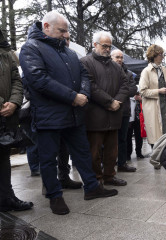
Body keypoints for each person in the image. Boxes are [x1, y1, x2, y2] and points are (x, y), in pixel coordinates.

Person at [19, 11, 118, 215]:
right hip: (49, 116)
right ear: (46, 26)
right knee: (48, 158)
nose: (65, 35)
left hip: (74, 115)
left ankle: (91, 187)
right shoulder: (31, 48)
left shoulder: (69, 52)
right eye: (61, 30)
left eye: (67, 31)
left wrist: (82, 94)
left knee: (82, 153)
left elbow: (83, 75)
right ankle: (54, 195)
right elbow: (38, 79)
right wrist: (73, 96)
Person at [24, 31, 83, 190]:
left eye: (69, 38)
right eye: (64, 37)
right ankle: (48, 186)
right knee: (47, 151)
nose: (67, 41)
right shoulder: (36, 52)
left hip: (66, 113)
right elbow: (32, 84)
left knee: (63, 148)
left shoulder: (68, 57)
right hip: (45, 113)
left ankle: (64, 176)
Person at [81, 31, 129, 186]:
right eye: (104, 46)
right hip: (95, 115)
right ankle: (96, 178)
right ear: (95, 45)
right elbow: (91, 86)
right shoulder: (85, 62)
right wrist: (110, 102)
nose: (108, 49)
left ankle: (109, 176)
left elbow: (125, 85)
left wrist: (117, 101)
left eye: (109, 46)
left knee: (111, 150)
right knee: (94, 151)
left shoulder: (116, 66)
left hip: (114, 114)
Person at [0, 29, 34, 212]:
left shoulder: (6, 53)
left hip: (7, 116)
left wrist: (13, 102)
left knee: (3, 157)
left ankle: (7, 197)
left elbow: (16, 80)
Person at [139, 44, 166, 146]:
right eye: (160, 54)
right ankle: (158, 160)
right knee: (157, 139)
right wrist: (158, 91)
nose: (163, 57)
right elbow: (143, 91)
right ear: (154, 55)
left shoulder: (164, 70)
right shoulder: (146, 71)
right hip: (154, 109)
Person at [110, 49, 137, 172]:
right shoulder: (107, 71)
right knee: (109, 139)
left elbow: (132, 90)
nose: (120, 59)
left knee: (123, 138)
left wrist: (118, 98)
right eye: (117, 57)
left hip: (124, 111)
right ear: (111, 58)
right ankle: (109, 165)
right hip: (109, 110)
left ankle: (122, 163)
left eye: (121, 57)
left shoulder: (129, 73)